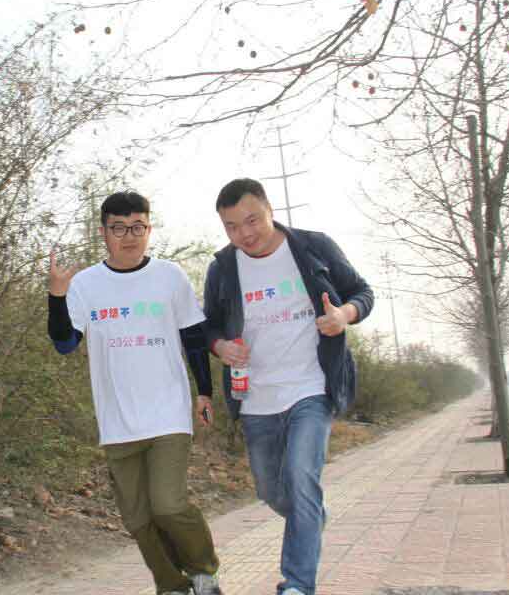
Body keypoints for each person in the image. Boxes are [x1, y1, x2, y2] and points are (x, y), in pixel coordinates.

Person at [200, 178, 373, 595]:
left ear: (270, 210)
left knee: (300, 478)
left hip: (311, 387)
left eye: (252, 220)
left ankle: (296, 584)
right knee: (271, 491)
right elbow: (208, 326)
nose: (244, 234)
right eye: (231, 226)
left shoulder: (314, 247)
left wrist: (344, 316)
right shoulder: (223, 267)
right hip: (255, 396)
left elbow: (362, 293)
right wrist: (221, 346)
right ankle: (310, 519)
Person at [47, 191, 223, 595]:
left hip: (168, 413)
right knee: (138, 519)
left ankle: (204, 572)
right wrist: (57, 297)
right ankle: (172, 585)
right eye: (119, 228)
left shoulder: (169, 276)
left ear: (149, 228)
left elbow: (193, 338)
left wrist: (204, 392)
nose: (129, 236)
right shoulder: (85, 285)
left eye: (138, 227)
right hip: (117, 419)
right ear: (103, 232)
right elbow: (64, 343)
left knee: (169, 505)